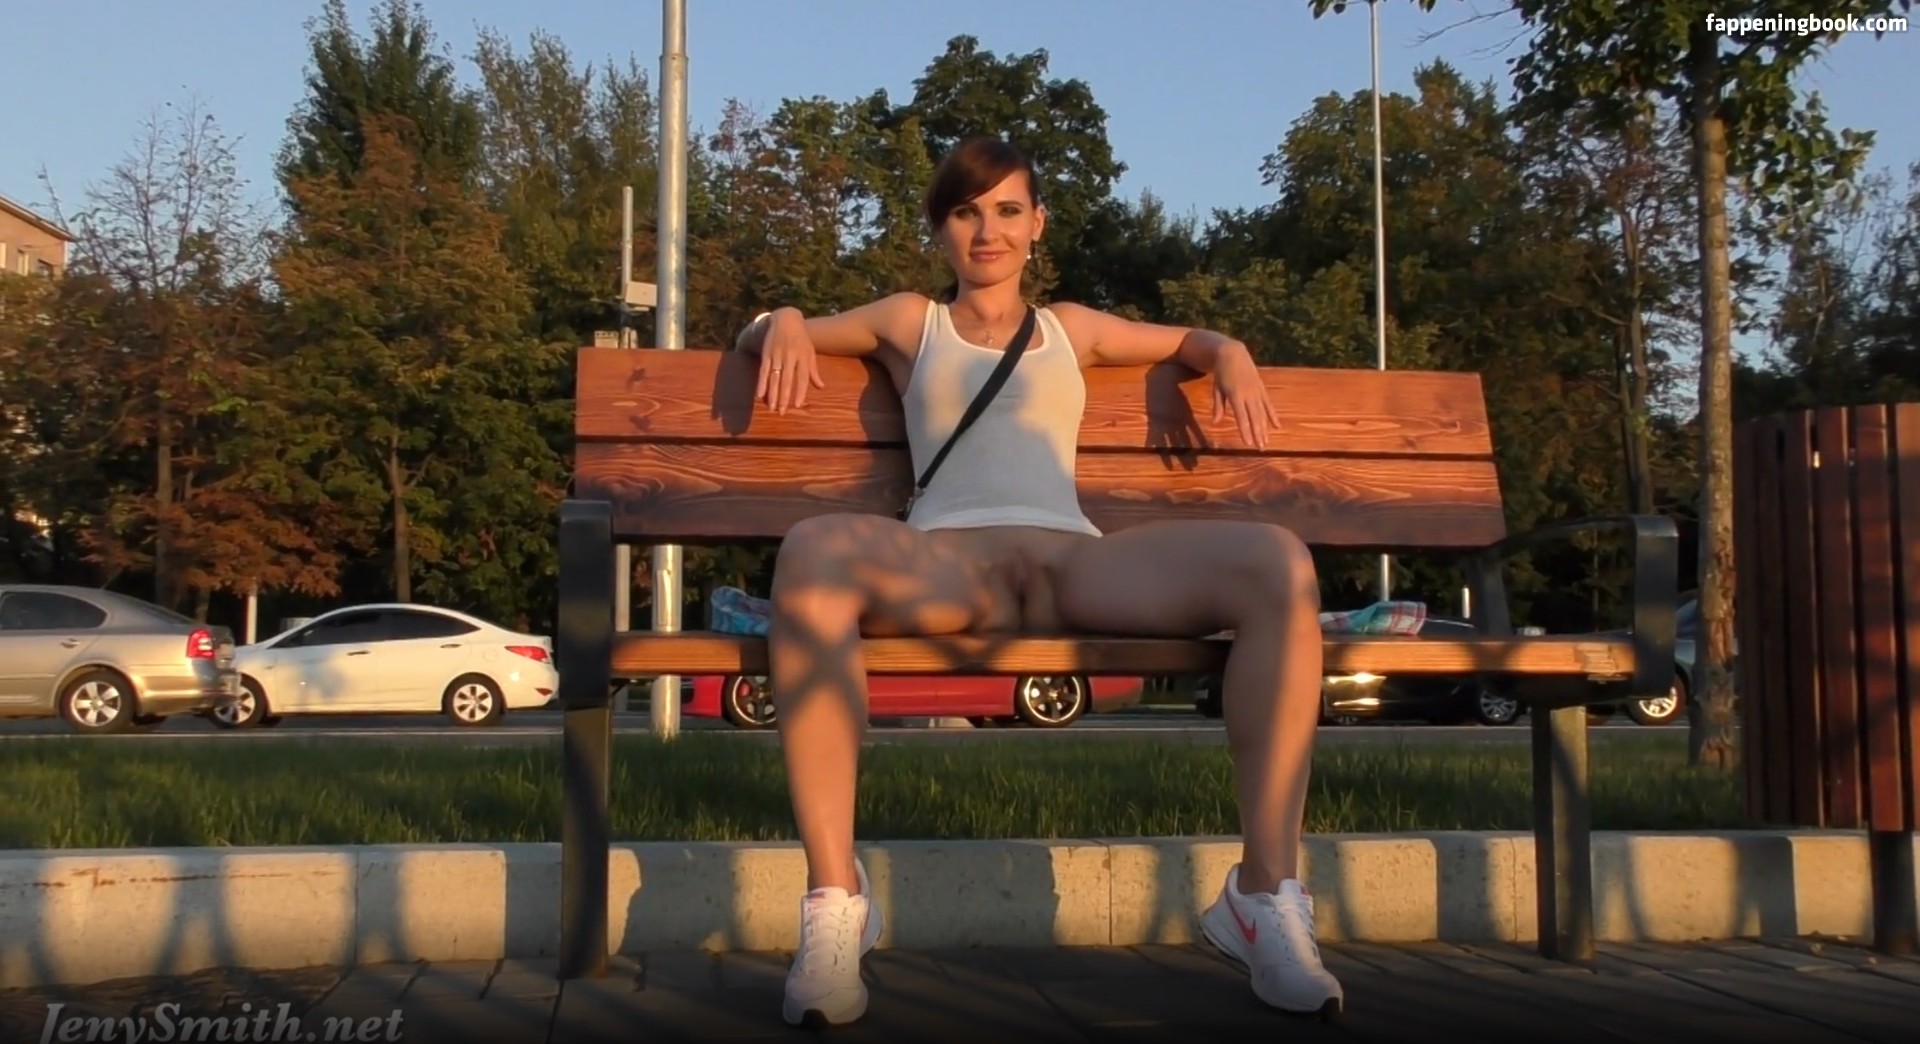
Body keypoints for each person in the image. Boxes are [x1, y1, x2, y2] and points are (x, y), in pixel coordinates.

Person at [732, 136, 1342, 1029]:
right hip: (952, 569)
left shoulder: (1072, 329)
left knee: (1278, 563)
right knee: (812, 550)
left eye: (1008, 210)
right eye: (966, 211)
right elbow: (766, 334)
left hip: (1074, 563)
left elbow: (1185, 340)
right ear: (941, 229)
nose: (989, 230)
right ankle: (836, 901)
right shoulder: (911, 323)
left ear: (1037, 224)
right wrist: (780, 317)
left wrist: (1228, 349)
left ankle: (1263, 895)